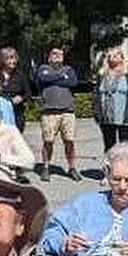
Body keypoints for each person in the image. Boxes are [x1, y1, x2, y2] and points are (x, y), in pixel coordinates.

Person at [34, 47, 80, 182]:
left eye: (60, 54)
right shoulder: (43, 68)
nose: (57, 56)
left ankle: (72, 168)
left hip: (67, 111)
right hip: (49, 112)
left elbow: (72, 82)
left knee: (69, 141)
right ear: (49, 57)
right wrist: (61, 77)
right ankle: (46, 167)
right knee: (48, 141)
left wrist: (52, 79)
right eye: (54, 54)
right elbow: (43, 78)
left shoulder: (69, 70)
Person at [93, 50, 128, 152]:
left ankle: (124, 168)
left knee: (125, 148)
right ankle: (110, 167)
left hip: (126, 117)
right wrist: (96, 111)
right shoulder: (102, 74)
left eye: (116, 55)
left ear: (122, 58)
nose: (112, 57)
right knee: (109, 147)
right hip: (106, 118)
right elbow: (96, 94)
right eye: (110, 55)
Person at [0, 46, 31, 110]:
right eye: (9, 59)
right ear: (3, 60)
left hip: (16, 109)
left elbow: (28, 94)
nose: (12, 61)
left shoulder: (21, 75)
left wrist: (21, 98)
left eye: (14, 58)